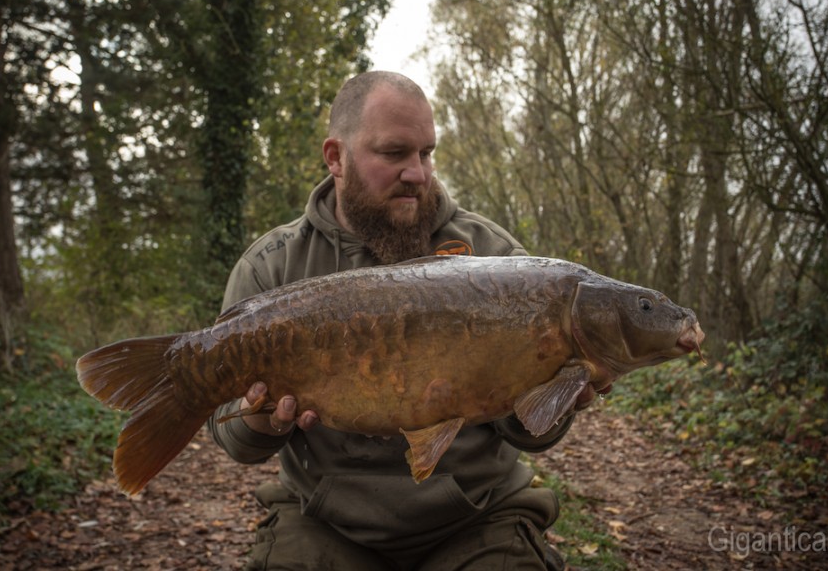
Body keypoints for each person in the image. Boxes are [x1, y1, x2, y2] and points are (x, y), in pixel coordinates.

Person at [207, 71, 603, 571]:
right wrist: (261, 421)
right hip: (325, 519)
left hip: (477, 516)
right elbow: (232, 440)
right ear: (336, 158)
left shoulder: (497, 260)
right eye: (394, 154)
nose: (418, 172)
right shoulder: (272, 266)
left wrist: (555, 399)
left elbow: (532, 437)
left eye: (426, 153)